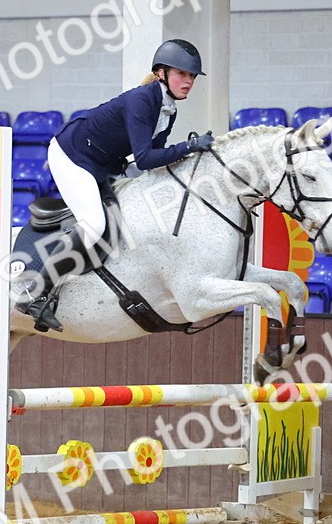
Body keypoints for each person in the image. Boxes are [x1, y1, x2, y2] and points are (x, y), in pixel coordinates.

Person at [14, 38, 216, 333]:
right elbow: (146, 159)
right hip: (72, 155)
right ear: (161, 73)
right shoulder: (142, 100)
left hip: (100, 163)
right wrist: (189, 146)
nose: (188, 81)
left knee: (117, 220)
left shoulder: (167, 108)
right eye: (182, 74)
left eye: (191, 77)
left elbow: (153, 159)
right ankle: (35, 293)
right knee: (94, 224)